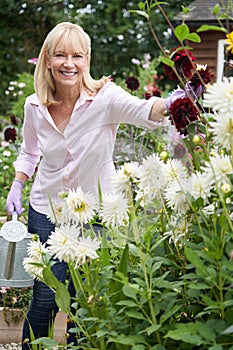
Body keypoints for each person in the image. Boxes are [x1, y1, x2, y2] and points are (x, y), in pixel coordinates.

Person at [5, 22, 193, 348]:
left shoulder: (105, 99)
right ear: (47, 59)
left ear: (87, 60)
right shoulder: (34, 105)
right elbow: (29, 151)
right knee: (46, 299)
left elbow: (146, 109)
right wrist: (17, 183)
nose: (69, 63)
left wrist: (179, 99)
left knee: (87, 300)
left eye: (77, 55)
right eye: (61, 55)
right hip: (46, 210)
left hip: (95, 215)